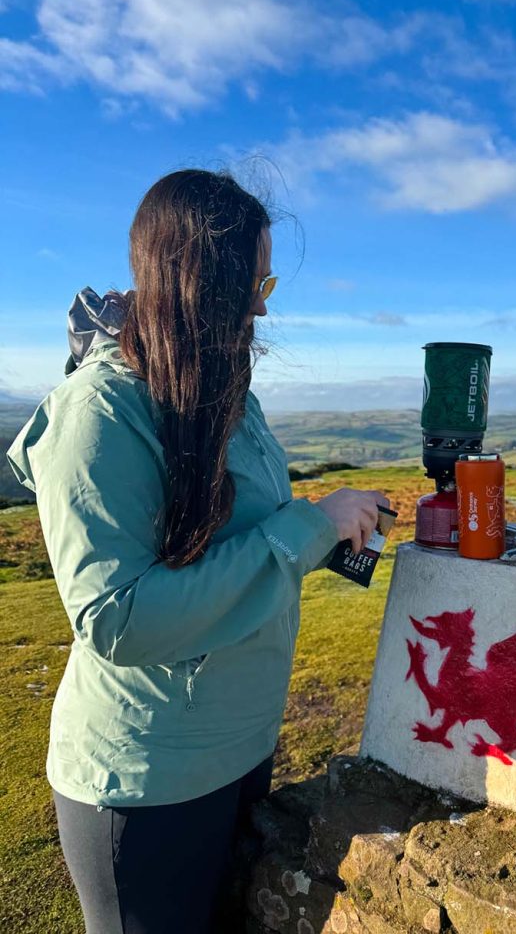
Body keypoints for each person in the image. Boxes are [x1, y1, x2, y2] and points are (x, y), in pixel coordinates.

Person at [6, 169, 390, 934]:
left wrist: (333, 525)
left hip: (241, 749)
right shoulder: (99, 413)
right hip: (146, 780)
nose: (261, 305)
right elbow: (119, 618)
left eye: (267, 282)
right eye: (253, 282)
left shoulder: (223, 393)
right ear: (197, 281)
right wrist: (308, 527)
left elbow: (244, 541)